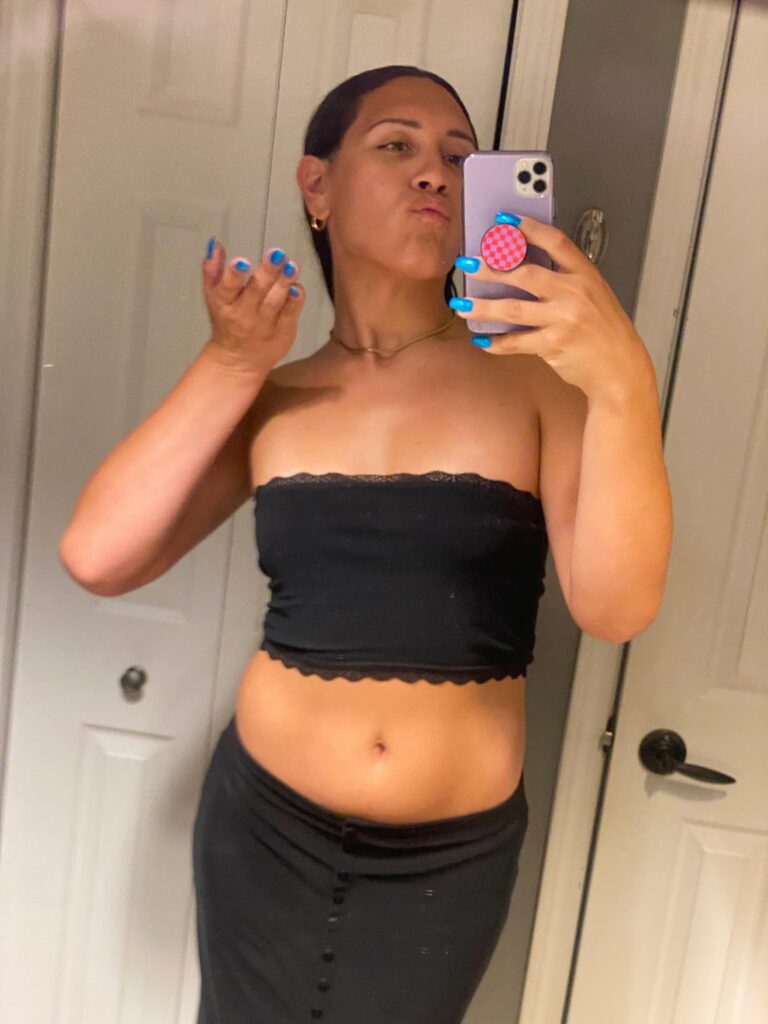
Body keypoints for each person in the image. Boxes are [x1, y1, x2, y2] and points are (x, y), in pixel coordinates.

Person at [60, 64, 547, 1024]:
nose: (435, 173)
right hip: (264, 829)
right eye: (397, 144)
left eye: (460, 157)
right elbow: (99, 556)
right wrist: (231, 361)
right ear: (316, 185)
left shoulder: (535, 379)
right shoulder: (273, 394)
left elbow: (618, 604)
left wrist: (614, 368)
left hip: (448, 860)